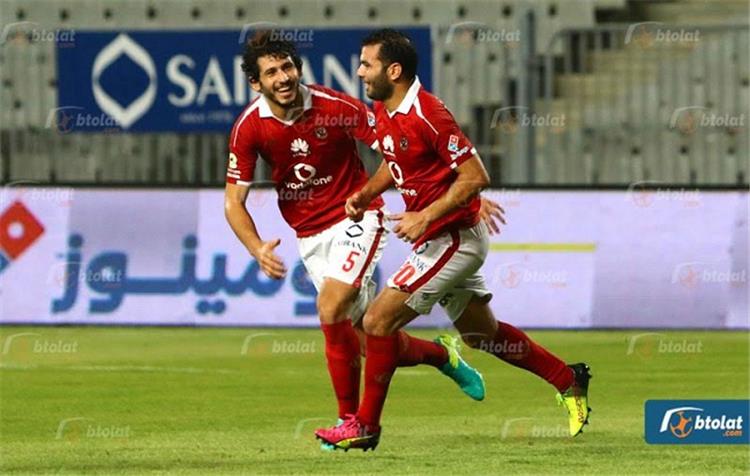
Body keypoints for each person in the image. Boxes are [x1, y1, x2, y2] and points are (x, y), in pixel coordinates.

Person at [315, 29, 592, 451]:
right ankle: (568, 379)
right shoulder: (385, 108)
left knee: (376, 322)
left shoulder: (429, 114)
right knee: (482, 335)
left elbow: (476, 176)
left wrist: (425, 215)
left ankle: (365, 426)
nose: (360, 72)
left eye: (367, 64)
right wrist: (366, 194)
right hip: (437, 238)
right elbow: (395, 160)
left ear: (394, 70)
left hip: (453, 239)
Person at [224, 32, 500, 450]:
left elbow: (401, 148)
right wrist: (256, 247)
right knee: (369, 340)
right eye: (271, 72)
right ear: (255, 83)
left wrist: (464, 190)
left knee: (330, 306)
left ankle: (350, 421)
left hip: (357, 218)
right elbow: (233, 202)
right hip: (309, 236)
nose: (283, 77)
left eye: (288, 67)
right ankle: (443, 356)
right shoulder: (249, 127)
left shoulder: (336, 106)